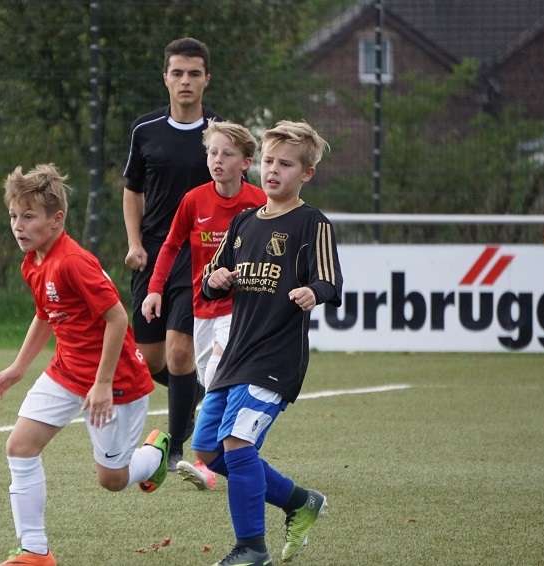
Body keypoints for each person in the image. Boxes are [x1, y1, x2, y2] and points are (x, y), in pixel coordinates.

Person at [0, 164, 171, 566]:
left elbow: (117, 319)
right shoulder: (33, 262)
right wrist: (19, 367)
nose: (18, 226)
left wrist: (102, 384)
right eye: (14, 216)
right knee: (20, 446)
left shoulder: (73, 261)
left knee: (112, 480)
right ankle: (35, 551)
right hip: (67, 372)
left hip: (117, 381)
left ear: (56, 219)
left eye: (29, 216)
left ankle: (155, 455)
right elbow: (45, 315)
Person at [193, 121, 343, 566]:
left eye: (286, 164)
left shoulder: (312, 223)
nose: (273, 170)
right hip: (234, 356)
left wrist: (313, 291)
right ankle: (299, 501)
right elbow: (210, 280)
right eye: (269, 161)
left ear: (307, 173)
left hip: (276, 357)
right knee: (208, 450)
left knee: (238, 443)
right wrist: (216, 279)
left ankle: (251, 548)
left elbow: (331, 281)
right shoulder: (243, 222)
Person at [140, 119, 266, 491]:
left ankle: (204, 460)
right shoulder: (194, 200)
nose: (217, 160)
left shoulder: (259, 202)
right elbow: (170, 246)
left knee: (217, 377)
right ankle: (233, 458)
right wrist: (155, 290)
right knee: (207, 379)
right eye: (212, 152)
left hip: (242, 309)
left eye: (227, 154)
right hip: (202, 305)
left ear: (245, 162)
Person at [123, 37, 221, 471]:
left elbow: (233, 196)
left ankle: (177, 446)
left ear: (206, 79)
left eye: (194, 73)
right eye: (177, 73)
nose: (185, 81)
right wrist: (134, 243)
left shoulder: (219, 134)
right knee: (151, 360)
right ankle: (194, 394)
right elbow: (133, 191)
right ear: (165, 77)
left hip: (199, 257)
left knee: (181, 353)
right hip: (153, 255)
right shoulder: (144, 130)